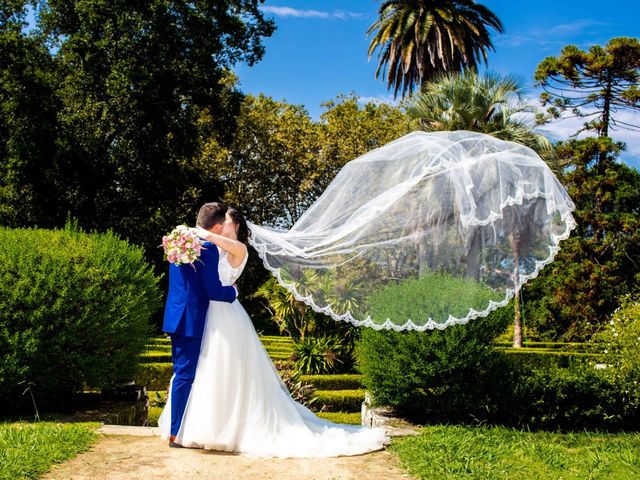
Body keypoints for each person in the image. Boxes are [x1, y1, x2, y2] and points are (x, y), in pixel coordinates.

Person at [158, 206, 389, 457]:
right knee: (201, 373)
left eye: (228, 222)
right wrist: (230, 286)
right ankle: (186, 429)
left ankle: (203, 430)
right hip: (200, 316)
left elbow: (212, 279)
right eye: (222, 221)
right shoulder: (198, 244)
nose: (224, 225)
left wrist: (201, 235)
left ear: (233, 227)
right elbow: (206, 285)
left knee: (220, 373)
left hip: (215, 317)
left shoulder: (224, 246)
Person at [161, 202, 238, 447]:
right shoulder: (207, 247)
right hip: (192, 319)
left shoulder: (178, 238)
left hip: (176, 315)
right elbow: (213, 290)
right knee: (185, 375)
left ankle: (179, 429)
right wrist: (233, 293)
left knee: (180, 373)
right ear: (215, 226)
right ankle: (175, 434)